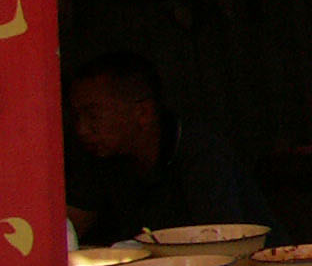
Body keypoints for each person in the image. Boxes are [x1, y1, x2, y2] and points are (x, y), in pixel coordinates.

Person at [64, 52, 274, 243]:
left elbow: (223, 244)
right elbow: (67, 228)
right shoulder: (102, 157)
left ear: (143, 113)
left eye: (93, 115)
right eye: (76, 117)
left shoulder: (201, 153)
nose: (81, 129)